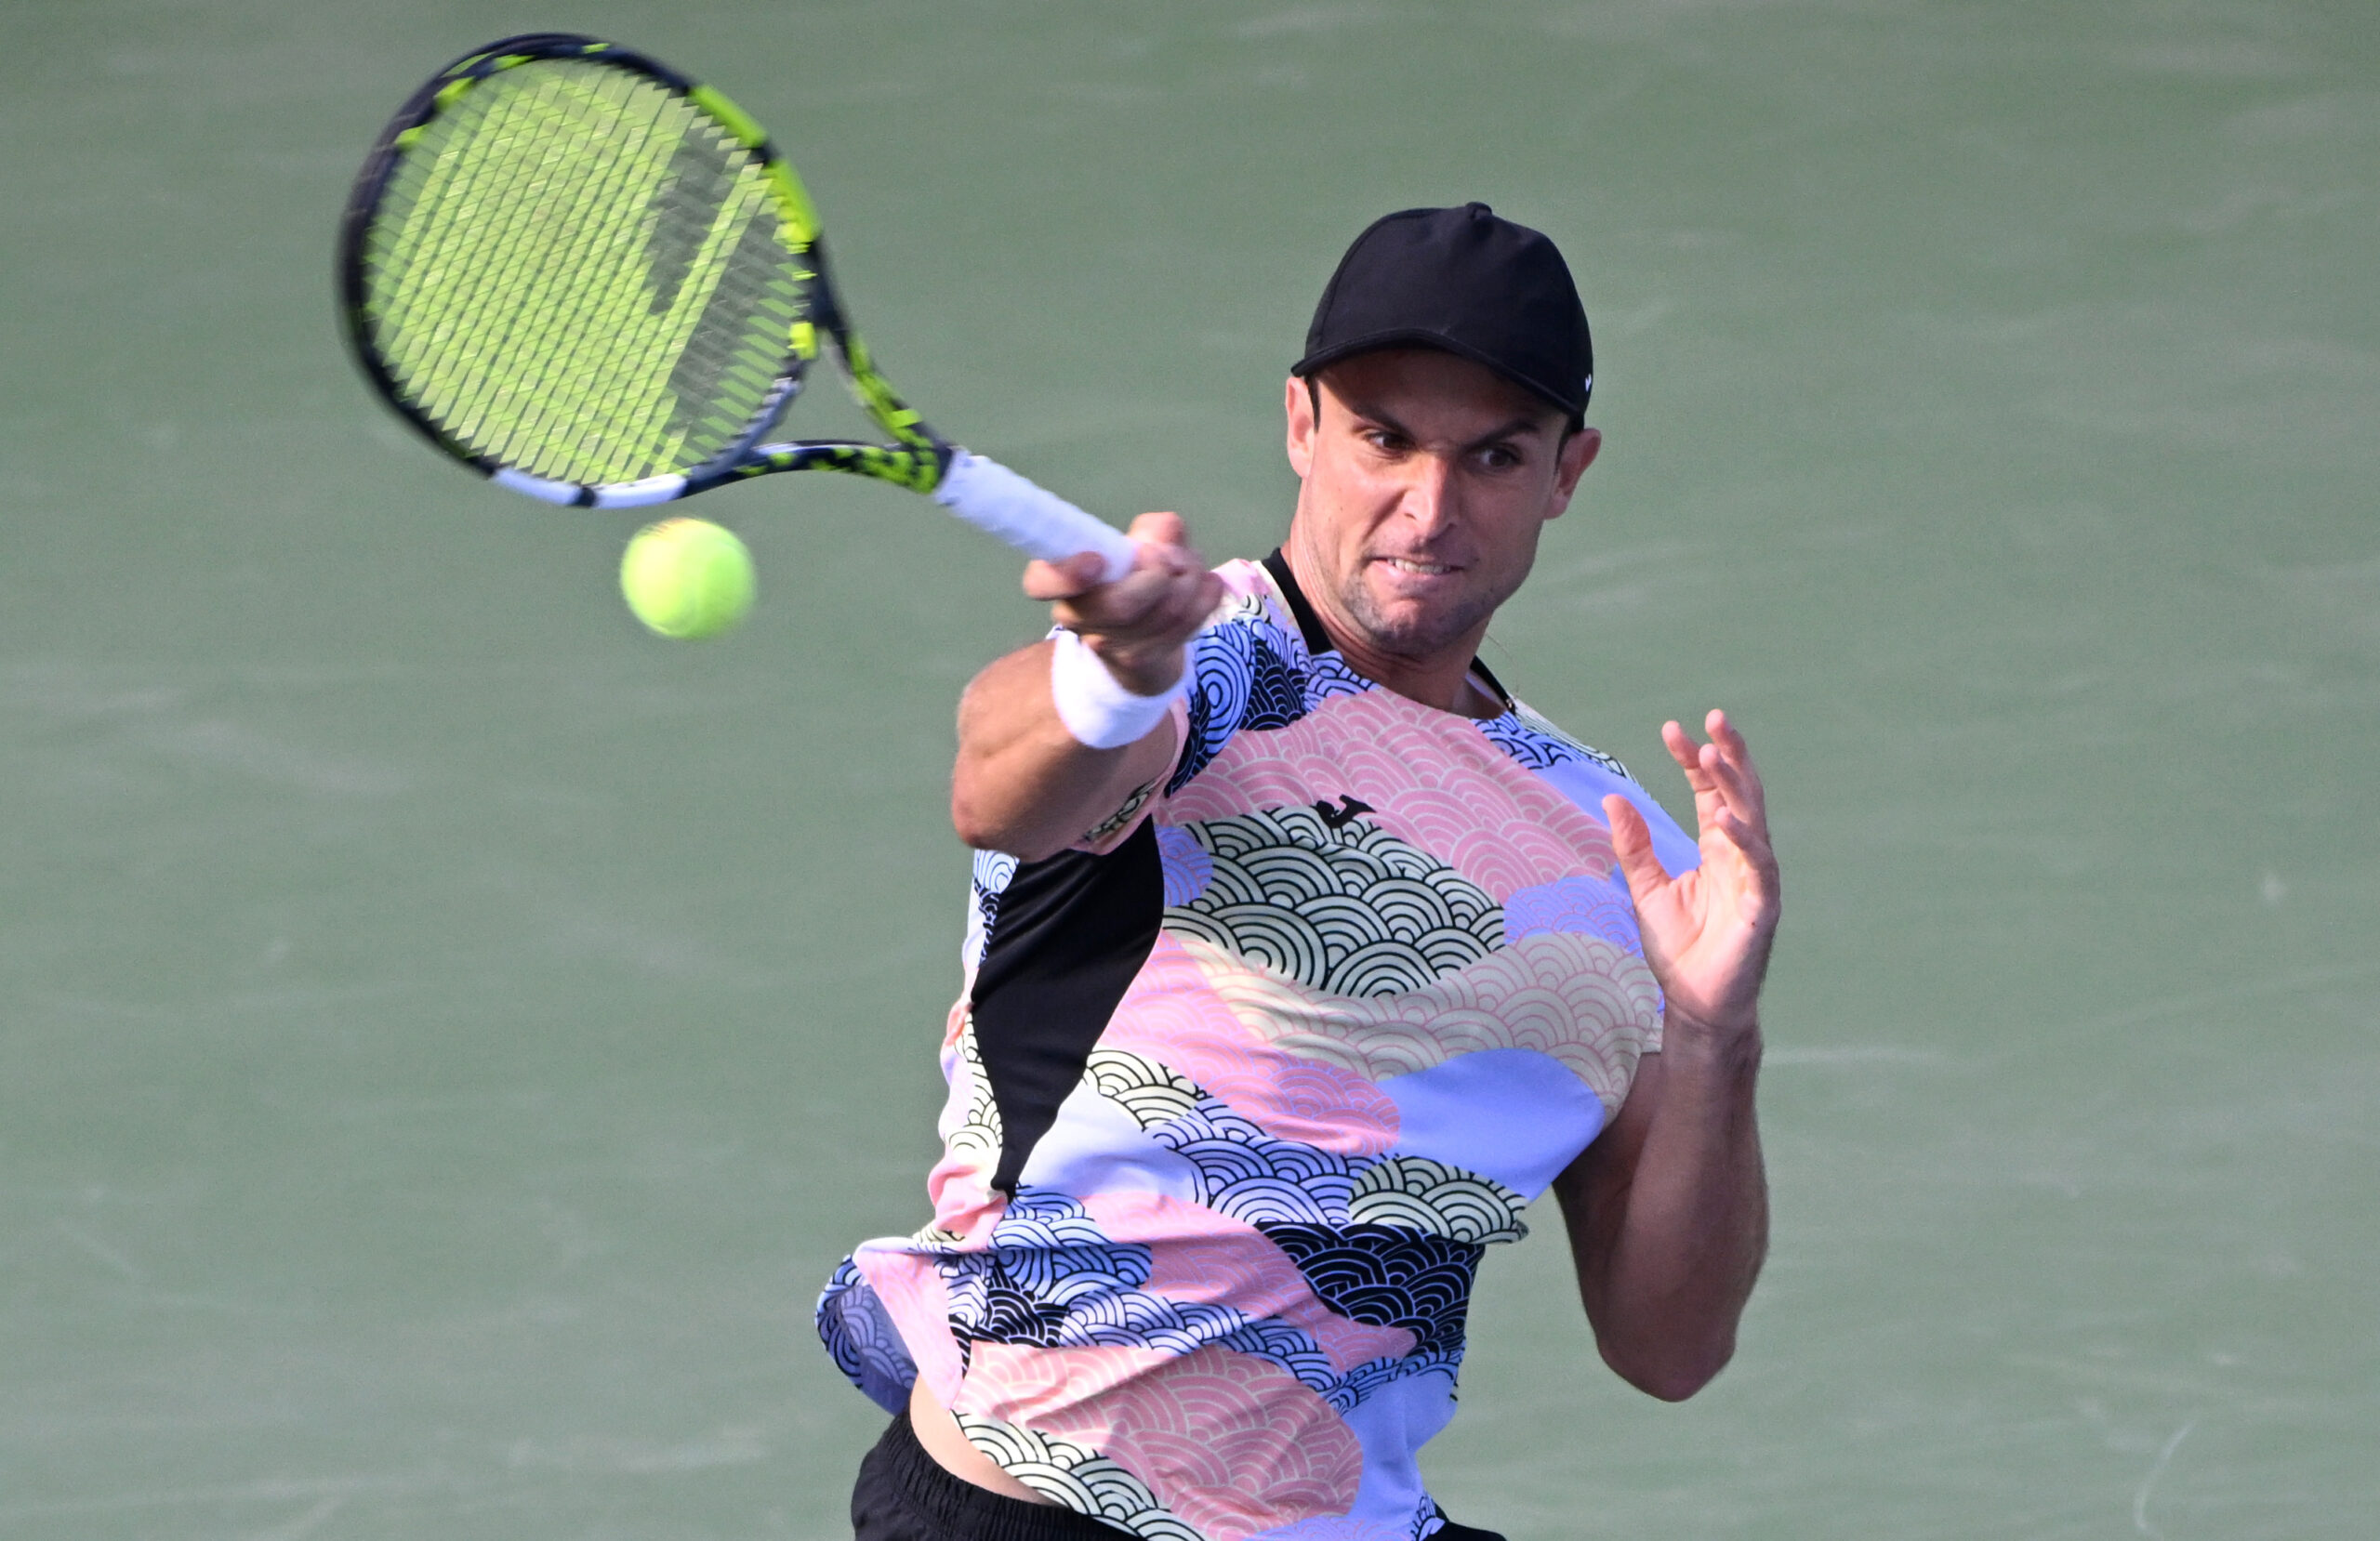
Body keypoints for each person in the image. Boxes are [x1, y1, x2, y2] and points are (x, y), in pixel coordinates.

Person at [819, 203, 1778, 1541]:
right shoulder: (1196, 672)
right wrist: (1111, 674)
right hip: (1041, 1506)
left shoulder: (1623, 859)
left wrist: (1715, 1030)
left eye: (1493, 456)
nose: (1428, 508)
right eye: (1384, 438)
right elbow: (997, 782)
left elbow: (1668, 1345)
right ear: (1300, 426)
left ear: (1568, 472)